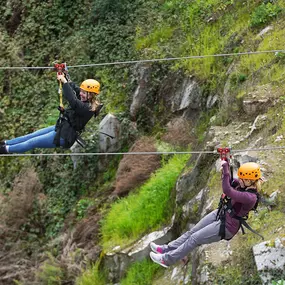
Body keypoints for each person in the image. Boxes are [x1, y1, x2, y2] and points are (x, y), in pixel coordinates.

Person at [149, 161, 262, 268]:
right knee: (191, 232)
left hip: (227, 226)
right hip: (221, 213)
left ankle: (166, 260)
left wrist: (226, 169)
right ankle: (166, 249)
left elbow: (228, 190)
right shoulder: (243, 185)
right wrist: (226, 161)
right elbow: (230, 181)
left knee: (194, 238)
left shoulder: (250, 198)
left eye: (242, 179)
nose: (240, 180)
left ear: (249, 181)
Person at [0, 73, 102, 154]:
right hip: (61, 127)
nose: (81, 94)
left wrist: (65, 82)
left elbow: (73, 101)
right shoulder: (85, 99)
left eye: (84, 93)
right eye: (82, 91)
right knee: (31, 136)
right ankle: (4, 144)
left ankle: (5, 150)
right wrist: (64, 74)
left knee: (32, 142)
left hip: (64, 136)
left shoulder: (88, 108)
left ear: (91, 95)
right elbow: (74, 88)